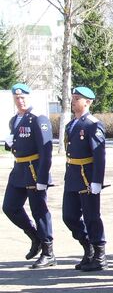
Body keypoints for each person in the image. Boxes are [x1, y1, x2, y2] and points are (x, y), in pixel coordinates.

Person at [2, 83, 55, 269]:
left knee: (39, 210)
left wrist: (42, 177)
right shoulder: (14, 120)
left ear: (29, 97)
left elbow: (46, 150)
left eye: (23, 97)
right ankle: (35, 237)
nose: (20, 100)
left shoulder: (38, 118)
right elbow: (18, 143)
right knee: (9, 207)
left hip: (34, 169)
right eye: (17, 98)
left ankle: (49, 252)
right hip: (19, 170)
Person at [62, 86, 107, 271]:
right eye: (73, 98)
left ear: (88, 102)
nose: (73, 101)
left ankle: (99, 255)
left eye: (77, 98)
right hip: (72, 175)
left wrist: (97, 181)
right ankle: (87, 246)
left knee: (91, 216)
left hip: (87, 176)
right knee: (69, 216)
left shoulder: (93, 124)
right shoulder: (71, 124)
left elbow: (99, 155)